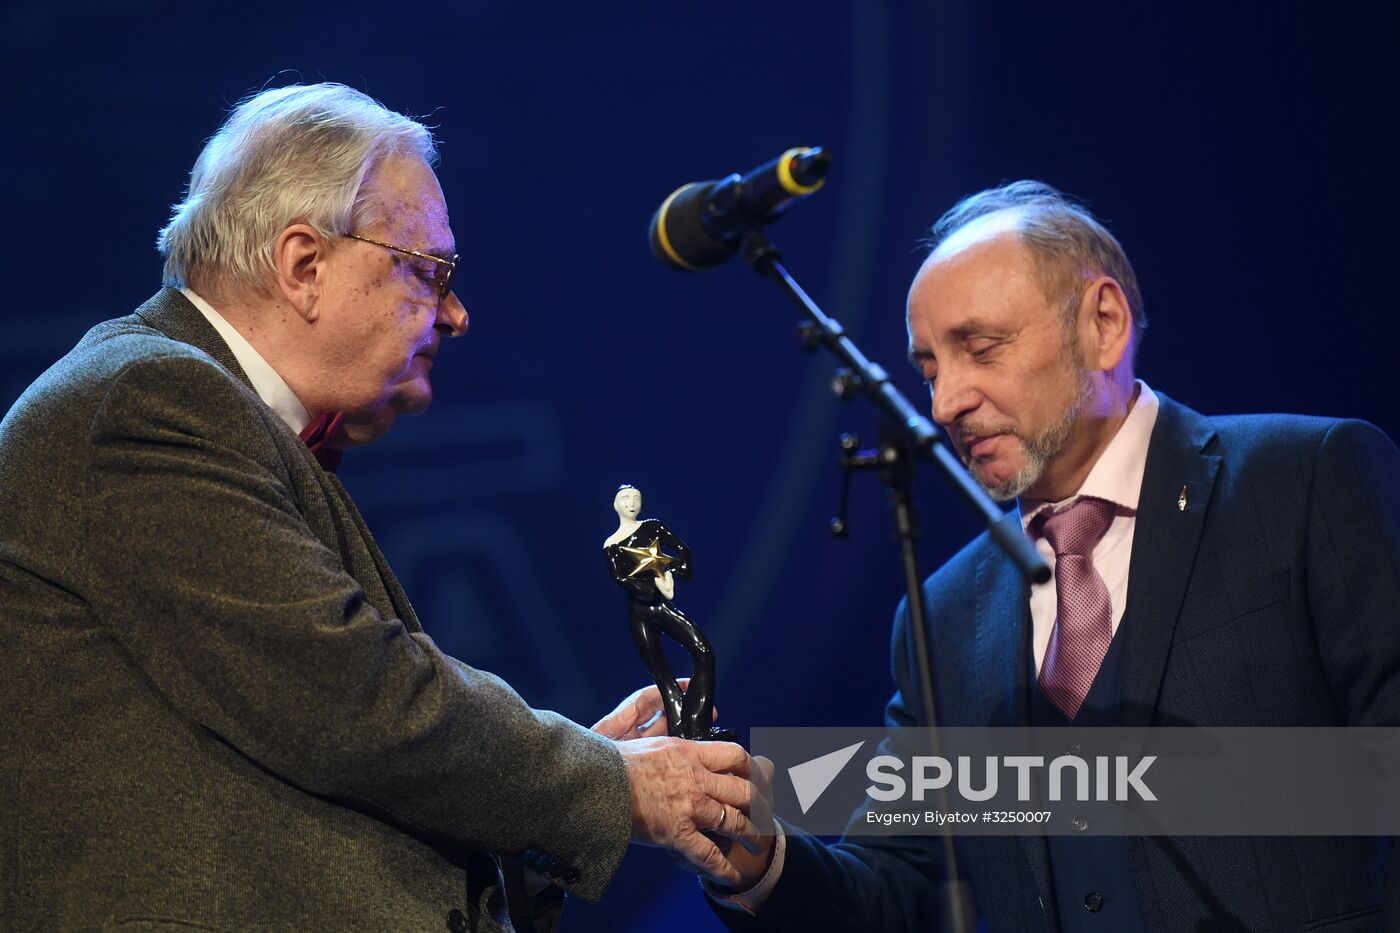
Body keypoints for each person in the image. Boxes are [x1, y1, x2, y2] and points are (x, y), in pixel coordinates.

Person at [0, 82, 759, 933]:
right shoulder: (148, 401)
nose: (457, 314)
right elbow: (352, 700)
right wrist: (611, 782)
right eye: (430, 272)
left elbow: (308, 775)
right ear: (303, 266)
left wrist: (581, 772)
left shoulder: (211, 415)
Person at [705, 181, 1400, 931]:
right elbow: (896, 882)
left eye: (981, 349)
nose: (944, 404)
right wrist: (760, 856)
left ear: (1104, 324)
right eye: (930, 370)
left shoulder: (1303, 481)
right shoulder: (942, 614)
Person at [604, 485, 722, 740]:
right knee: (661, 674)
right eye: (625, 499)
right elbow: (620, 578)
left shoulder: (653, 528)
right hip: (639, 610)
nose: (631, 503)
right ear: (615, 505)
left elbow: (683, 551)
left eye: (636, 498)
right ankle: (681, 734)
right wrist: (648, 586)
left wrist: (673, 571)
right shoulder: (612, 545)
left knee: (703, 651)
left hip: (660, 604)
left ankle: (698, 727)